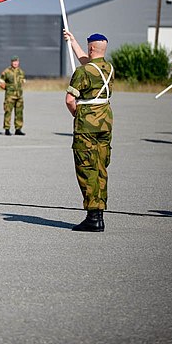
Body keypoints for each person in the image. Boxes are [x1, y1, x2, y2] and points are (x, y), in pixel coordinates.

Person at [63, 31, 114, 232]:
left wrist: (77, 113)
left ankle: (93, 216)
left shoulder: (82, 73)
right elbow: (88, 62)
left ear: (91, 47)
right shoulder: (109, 69)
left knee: (86, 168)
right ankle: (99, 214)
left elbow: (69, 100)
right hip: (105, 124)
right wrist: (73, 41)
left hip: (87, 126)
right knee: (101, 167)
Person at [0, 55, 25, 135]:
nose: (15, 63)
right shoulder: (6, 71)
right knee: (8, 112)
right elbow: (0, 81)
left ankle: (18, 129)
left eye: (16, 61)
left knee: (19, 113)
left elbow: (22, 82)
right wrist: (7, 89)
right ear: (11, 62)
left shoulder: (21, 71)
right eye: (14, 61)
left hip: (19, 96)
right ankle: (7, 129)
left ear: (18, 62)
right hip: (10, 96)